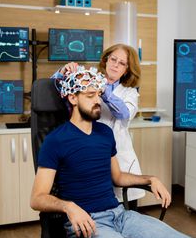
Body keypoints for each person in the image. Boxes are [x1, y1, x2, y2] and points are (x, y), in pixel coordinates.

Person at [31, 66, 196, 238]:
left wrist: (150, 179)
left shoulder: (104, 132)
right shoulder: (55, 141)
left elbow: (117, 177)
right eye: (90, 95)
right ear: (73, 98)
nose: (97, 100)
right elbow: (37, 198)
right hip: (90, 225)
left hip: (119, 215)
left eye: (99, 94)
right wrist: (69, 207)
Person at [52, 44, 144, 208]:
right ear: (106, 59)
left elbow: (123, 113)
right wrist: (63, 72)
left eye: (122, 63)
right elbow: (53, 89)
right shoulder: (88, 81)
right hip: (89, 155)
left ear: (127, 69)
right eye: (113, 59)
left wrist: (103, 88)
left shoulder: (130, 93)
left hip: (120, 160)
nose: (115, 64)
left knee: (126, 214)